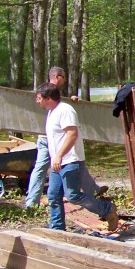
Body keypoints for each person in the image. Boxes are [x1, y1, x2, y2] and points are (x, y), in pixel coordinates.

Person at [36, 82, 118, 232]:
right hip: (58, 163)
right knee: (53, 196)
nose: (37, 101)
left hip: (71, 161)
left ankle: (107, 209)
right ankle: (57, 229)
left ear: (49, 98)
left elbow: (72, 135)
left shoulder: (65, 110)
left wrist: (59, 155)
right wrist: (56, 158)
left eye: (39, 98)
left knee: (73, 195)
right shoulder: (51, 112)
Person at [26, 67, 105, 210]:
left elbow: (70, 128)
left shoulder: (58, 101)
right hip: (51, 141)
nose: (65, 79)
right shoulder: (47, 92)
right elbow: (69, 131)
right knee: (46, 173)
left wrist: (72, 99)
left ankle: (95, 193)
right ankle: (32, 201)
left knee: (68, 185)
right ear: (57, 76)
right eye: (63, 77)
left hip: (59, 146)